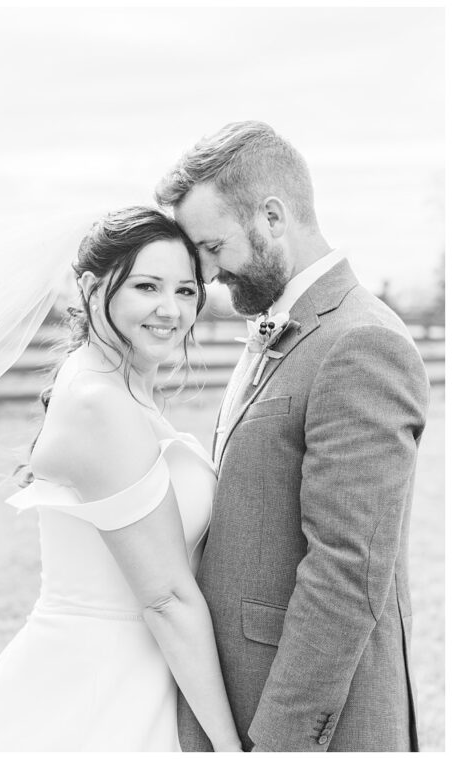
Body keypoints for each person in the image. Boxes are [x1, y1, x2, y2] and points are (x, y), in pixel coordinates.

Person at [155, 121, 429, 751]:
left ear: (273, 217)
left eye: (215, 246)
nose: (209, 273)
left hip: (316, 722)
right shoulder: (280, 326)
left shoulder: (362, 343)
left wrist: (280, 744)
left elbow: (346, 571)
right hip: (246, 691)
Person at [0, 207, 242, 752]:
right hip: (102, 684)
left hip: (142, 670)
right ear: (89, 288)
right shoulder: (98, 402)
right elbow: (167, 599)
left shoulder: (111, 379)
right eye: (147, 286)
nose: (169, 309)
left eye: (185, 290)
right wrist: (230, 746)